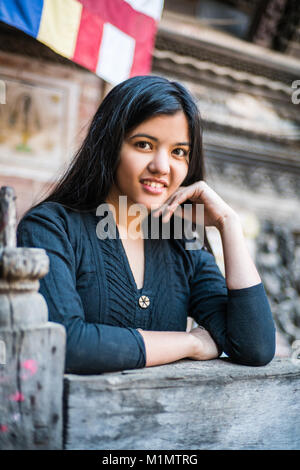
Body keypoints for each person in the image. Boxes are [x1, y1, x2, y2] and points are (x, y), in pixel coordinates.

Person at [16, 75, 276, 374]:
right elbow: (64, 344)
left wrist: (228, 224)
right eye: (144, 145)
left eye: (179, 151)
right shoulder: (51, 227)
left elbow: (254, 346)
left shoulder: (180, 240)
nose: (162, 166)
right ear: (110, 146)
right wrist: (189, 343)